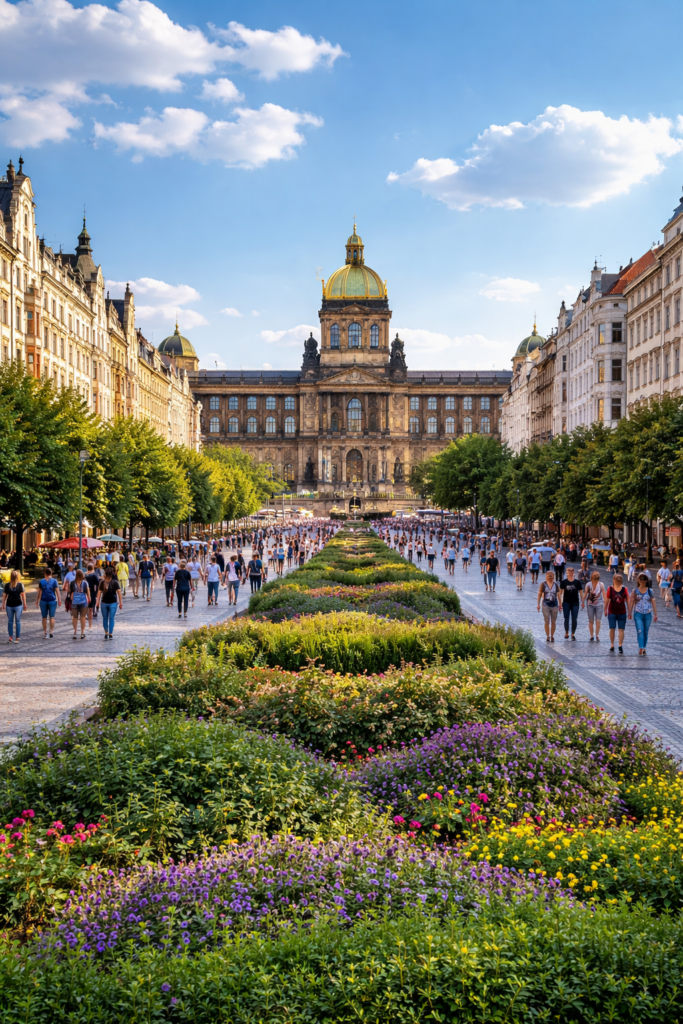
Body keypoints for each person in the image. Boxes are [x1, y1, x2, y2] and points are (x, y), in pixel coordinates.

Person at [628, 573, 658, 656]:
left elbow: (653, 602)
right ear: (638, 581)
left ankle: (644, 647)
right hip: (638, 613)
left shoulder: (650, 591)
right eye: (641, 579)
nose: (642, 581)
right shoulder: (635, 591)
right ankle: (641, 648)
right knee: (640, 630)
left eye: (644, 579)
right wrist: (629, 612)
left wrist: (655, 615)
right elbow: (631, 602)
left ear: (646, 581)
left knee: (645, 632)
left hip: (648, 613)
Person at [96, 566, 122, 639]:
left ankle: (106, 632)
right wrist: (120, 603)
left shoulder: (101, 583)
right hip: (113, 602)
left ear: (105, 574)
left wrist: (97, 602)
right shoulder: (115, 582)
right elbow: (119, 593)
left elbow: (98, 594)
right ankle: (110, 632)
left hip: (104, 602)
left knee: (105, 618)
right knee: (111, 618)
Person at [605, 574, 629, 653]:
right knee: (621, 630)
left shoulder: (610, 589)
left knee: (612, 629)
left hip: (613, 612)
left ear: (613, 580)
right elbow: (628, 601)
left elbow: (606, 600)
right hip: (620, 612)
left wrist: (605, 609)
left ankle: (613, 645)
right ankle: (620, 644)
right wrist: (629, 612)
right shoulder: (624, 589)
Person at [559, 565, 584, 640]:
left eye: (571, 571)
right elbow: (560, 593)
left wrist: (583, 602)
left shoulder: (577, 582)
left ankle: (573, 634)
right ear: (566, 573)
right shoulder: (563, 582)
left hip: (575, 602)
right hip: (566, 602)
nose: (570, 573)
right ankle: (566, 632)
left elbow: (581, 593)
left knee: (574, 618)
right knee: (566, 618)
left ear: (574, 573)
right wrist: (560, 604)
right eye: (568, 571)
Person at [36, 566, 61, 638]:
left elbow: (39, 592)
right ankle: (51, 631)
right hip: (52, 600)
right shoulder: (54, 581)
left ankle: (45, 632)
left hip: (43, 601)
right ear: (51, 573)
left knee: (44, 617)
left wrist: (37, 600)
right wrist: (59, 600)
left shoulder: (41, 581)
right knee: (52, 617)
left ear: (45, 573)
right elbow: (57, 591)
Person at [3, 569, 27, 643]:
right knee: (18, 621)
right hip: (18, 605)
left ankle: (11, 637)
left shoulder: (7, 585)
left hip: (9, 605)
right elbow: (23, 596)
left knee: (10, 621)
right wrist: (25, 604)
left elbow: (4, 596)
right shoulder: (20, 585)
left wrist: (3, 604)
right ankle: (17, 638)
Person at [537, 570, 560, 642]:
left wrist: (560, 605)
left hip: (554, 604)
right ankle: (547, 636)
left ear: (553, 577)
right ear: (546, 576)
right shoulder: (543, 584)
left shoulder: (556, 585)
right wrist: (538, 604)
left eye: (551, 576)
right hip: (545, 604)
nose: (550, 577)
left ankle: (552, 635)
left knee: (553, 621)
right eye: (549, 575)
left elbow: (559, 596)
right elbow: (539, 594)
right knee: (546, 621)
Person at [584, 571, 605, 641]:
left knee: (598, 620)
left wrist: (606, 602)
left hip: (599, 604)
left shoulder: (601, 585)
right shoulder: (588, 585)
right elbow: (586, 593)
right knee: (591, 620)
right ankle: (591, 635)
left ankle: (597, 634)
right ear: (592, 578)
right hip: (590, 604)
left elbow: (604, 594)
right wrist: (582, 602)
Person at [69, 568, 90, 639]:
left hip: (74, 602)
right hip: (83, 602)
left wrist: (72, 600)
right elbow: (88, 593)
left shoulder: (72, 583)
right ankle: (82, 632)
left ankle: (75, 632)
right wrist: (89, 600)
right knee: (83, 617)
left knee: (74, 618)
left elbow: (70, 593)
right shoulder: (85, 583)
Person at [85, 563, 100, 629]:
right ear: (93, 568)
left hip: (84, 591)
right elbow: (97, 583)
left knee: (86, 602)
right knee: (92, 602)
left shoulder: (84, 575)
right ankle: (93, 612)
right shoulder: (94, 575)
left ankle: (86, 613)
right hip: (91, 591)